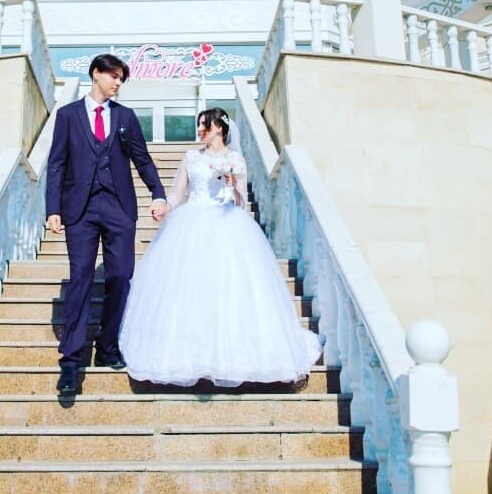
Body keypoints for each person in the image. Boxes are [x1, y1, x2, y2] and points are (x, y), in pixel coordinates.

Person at [119, 107, 321, 386]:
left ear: (219, 128)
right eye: (199, 125)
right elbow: (178, 193)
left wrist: (233, 184)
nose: (199, 130)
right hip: (191, 224)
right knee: (189, 289)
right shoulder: (191, 157)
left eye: (204, 125)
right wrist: (165, 207)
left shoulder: (235, 160)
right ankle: (189, 355)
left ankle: (234, 356)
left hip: (228, 223)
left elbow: (241, 200)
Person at [46, 54, 166, 395]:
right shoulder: (68, 115)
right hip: (80, 211)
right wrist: (53, 208)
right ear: (96, 74)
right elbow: (56, 163)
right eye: (113, 76)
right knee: (81, 278)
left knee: (120, 276)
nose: (118, 82)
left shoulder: (125, 116)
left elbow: (141, 158)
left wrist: (157, 193)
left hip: (119, 208)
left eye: (121, 78)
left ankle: (108, 346)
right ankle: (71, 361)